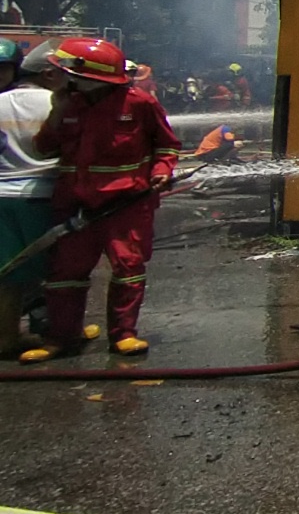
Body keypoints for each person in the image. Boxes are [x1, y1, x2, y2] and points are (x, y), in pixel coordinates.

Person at [19, 38, 179, 362]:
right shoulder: (66, 104)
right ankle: (61, 339)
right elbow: (43, 149)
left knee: (127, 267)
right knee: (64, 273)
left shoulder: (139, 103)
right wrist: (56, 115)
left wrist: (162, 172)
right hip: (76, 204)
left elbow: (167, 146)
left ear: (88, 76)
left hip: (127, 204)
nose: (62, 78)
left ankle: (123, 335)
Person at [0, 40, 59, 356]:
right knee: (54, 271)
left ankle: (7, 337)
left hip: (1, 197)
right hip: (43, 195)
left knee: (8, 272)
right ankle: (55, 333)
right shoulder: (56, 102)